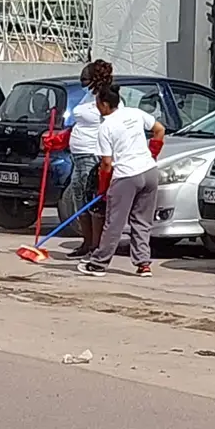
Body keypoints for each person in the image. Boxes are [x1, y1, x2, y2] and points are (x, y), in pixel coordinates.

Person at [79, 78, 165, 277]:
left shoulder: (106, 126)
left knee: (114, 223)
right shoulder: (135, 113)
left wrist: (103, 189)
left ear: (105, 104)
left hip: (126, 175)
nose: (96, 107)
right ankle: (143, 264)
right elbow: (160, 130)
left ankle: (99, 263)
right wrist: (152, 153)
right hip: (149, 172)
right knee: (142, 221)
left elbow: (106, 163)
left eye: (97, 104)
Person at [59, 60, 111, 256]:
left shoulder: (105, 98)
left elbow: (111, 125)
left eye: (85, 78)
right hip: (78, 155)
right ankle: (87, 242)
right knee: (78, 197)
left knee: (91, 199)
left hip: (92, 154)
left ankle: (95, 245)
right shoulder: (88, 96)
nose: (82, 82)